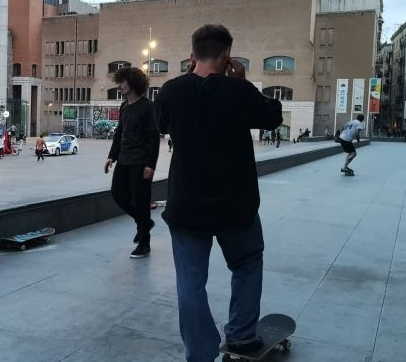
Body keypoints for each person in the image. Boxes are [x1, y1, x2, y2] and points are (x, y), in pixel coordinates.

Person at [153, 24, 282, 362]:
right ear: (228, 57)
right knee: (247, 264)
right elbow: (272, 116)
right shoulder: (238, 91)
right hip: (235, 206)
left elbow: (161, 124)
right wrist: (241, 83)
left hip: (186, 207)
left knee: (190, 283)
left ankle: (199, 352)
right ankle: (240, 336)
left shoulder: (171, 90)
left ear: (192, 55)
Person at [104, 67, 160, 259]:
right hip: (124, 160)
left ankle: (144, 244)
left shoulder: (147, 107)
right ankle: (144, 223)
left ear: (133, 83)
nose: (119, 86)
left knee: (141, 202)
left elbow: (153, 137)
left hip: (141, 162)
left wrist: (150, 165)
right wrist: (111, 156)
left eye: (122, 82)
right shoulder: (124, 106)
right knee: (118, 194)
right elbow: (120, 133)